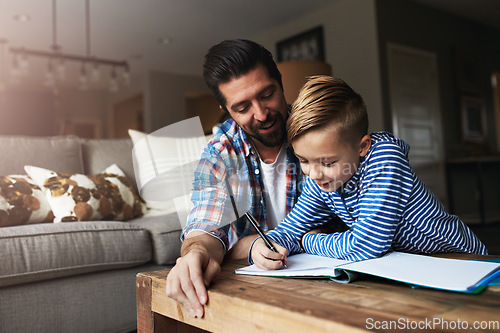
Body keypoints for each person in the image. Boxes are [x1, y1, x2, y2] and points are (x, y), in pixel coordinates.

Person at [251, 75, 488, 270]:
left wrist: (308, 240)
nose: (313, 174)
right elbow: (291, 228)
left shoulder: (384, 158)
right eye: (303, 160)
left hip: (461, 260)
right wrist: (266, 246)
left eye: (328, 162)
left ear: (362, 147)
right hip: (413, 267)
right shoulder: (321, 179)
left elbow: (365, 246)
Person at [165, 39, 311, 318]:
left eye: (267, 94)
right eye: (243, 108)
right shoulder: (219, 153)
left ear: (280, 83)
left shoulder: (318, 129)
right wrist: (194, 254)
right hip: (258, 291)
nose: (261, 114)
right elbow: (206, 230)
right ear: (226, 110)